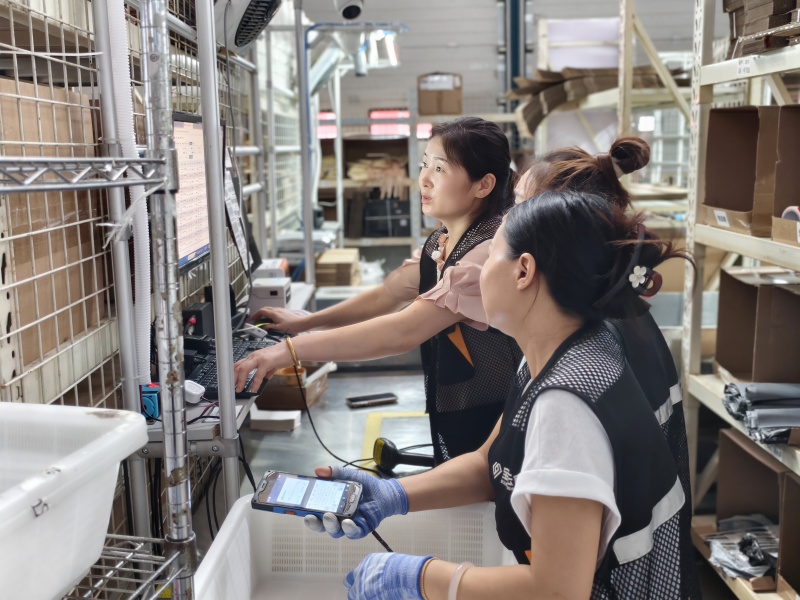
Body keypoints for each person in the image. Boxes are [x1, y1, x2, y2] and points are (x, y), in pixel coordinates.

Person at [305, 189, 696, 599]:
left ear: (523, 271)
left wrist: (420, 577)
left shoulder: (565, 407)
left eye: (490, 253)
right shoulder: (559, 352)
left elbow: (556, 592)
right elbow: (487, 464)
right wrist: (392, 494)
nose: (477, 271)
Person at [235, 117, 523, 463]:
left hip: (494, 415)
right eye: (424, 165)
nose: (424, 179)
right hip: (460, 406)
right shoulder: (443, 241)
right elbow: (387, 295)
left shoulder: (485, 254)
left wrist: (289, 351)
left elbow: (403, 331)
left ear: (483, 185)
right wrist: (306, 322)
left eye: (440, 169)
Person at [516, 138, 700, 600]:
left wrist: (425, 577)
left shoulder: (577, 365)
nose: (506, 223)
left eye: (519, 206)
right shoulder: (616, 318)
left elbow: (559, 586)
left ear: (561, 228)